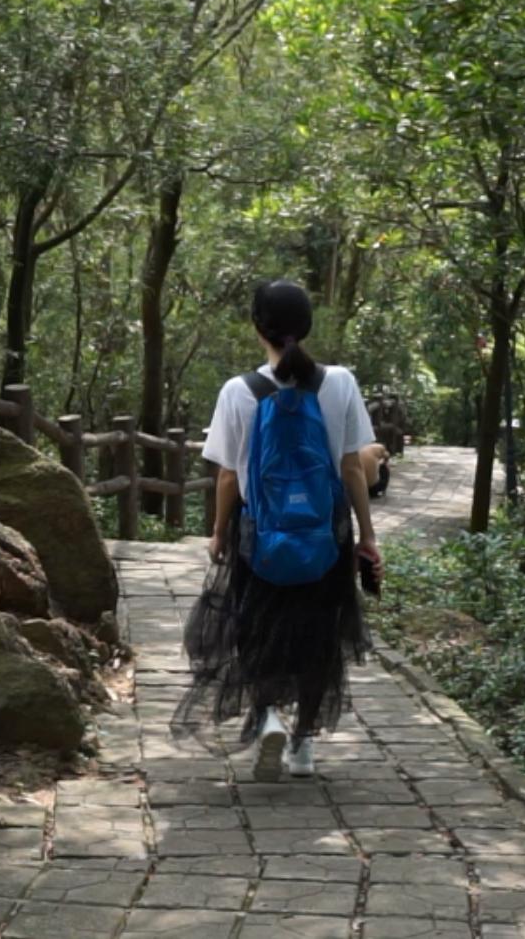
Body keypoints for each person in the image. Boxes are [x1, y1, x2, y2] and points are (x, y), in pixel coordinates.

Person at [172, 279, 382, 782]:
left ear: (256, 327)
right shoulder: (341, 383)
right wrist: (367, 536)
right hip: (326, 537)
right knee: (319, 636)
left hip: (259, 537)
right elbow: (354, 468)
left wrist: (220, 532)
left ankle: (266, 716)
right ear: (307, 327)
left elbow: (227, 476)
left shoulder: (238, 391)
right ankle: (304, 745)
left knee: (257, 628)